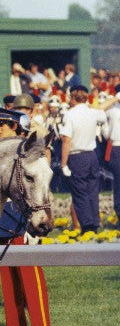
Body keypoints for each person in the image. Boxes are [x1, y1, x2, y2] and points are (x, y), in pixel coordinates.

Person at [0, 107, 53, 326]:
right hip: (3, 215)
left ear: (15, 127)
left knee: (29, 271)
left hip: (26, 215)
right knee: (7, 273)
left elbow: (41, 187)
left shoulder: (33, 153)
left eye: (2, 125)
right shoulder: (0, 150)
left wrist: (40, 222)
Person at [59, 85, 108, 233]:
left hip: (77, 156)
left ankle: (87, 226)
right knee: (92, 191)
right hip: (91, 154)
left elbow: (66, 141)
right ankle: (94, 223)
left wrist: (63, 164)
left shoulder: (70, 115)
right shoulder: (93, 112)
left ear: (73, 98)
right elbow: (102, 112)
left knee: (80, 192)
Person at [105, 96, 120, 222]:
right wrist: (115, 99)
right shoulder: (113, 110)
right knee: (118, 184)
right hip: (117, 146)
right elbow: (98, 109)